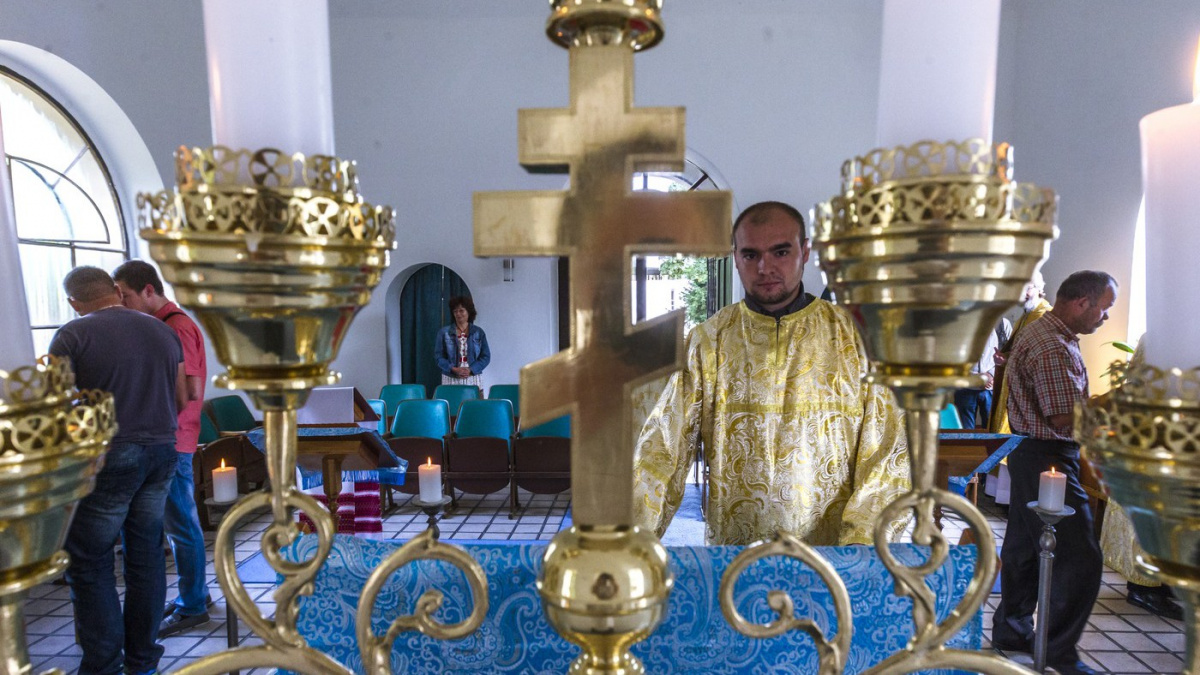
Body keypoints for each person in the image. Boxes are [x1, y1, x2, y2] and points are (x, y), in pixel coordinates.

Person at [633, 201, 910, 546]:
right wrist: (630, 544)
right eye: (751, 255)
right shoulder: (708, 342)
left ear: (806, 252)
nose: (765, 267)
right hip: (735, 557)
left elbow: (887, 457)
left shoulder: (856, 339)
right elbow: (661, 452)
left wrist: (859, 553)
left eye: (780, 252)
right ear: (735, 258)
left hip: (831, 562)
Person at [50, 266, 186, 675]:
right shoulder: (163, 330)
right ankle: (143, 661)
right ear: (114, 290)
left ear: (74, 302)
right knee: (145, 557)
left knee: (90, 560)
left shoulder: (72, 334)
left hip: (109, 455)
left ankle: (104, 666)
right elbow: (181, 398)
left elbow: (55, 409)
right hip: (162, 448)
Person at [992, 270, 1117, 675]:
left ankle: (1012, 633)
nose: (1105, 318)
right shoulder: (1052, 346)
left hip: (1032, 452)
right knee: (1081, 558)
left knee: (1026, 550)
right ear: (1082, 302)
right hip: (1049, 455)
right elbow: (1062, 417)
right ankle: (1059, 652)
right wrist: (1114, 408)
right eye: (1104, 308)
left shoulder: (1046, 332)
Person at [113, 260, 213, 637]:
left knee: (181, 524)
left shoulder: (176, 327)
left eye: (124, 295)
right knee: (179, 523)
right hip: (169, 435)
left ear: (149, 291)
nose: (121, 304)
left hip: (172, 436)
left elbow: (189, 390)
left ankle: (192, 605)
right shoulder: (166, 326)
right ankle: (195, 594)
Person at [990, 270, 1051, 434]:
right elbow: (1018, 352)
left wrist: (1008, 360)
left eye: (1027, 289)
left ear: (1039, 289)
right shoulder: (1024, 317)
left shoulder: (1046, 316)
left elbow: (1040, 359)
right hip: (1014, 385)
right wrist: (1003, 359)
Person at [953, 318, 1011, 428]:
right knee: (965, 432)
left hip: (992, 388)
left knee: (992, 430)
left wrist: (991, 375)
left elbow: (1010, 352)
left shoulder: (1003, 324)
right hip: (965, 387)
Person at [434, 295, 491, 388]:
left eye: (461, 310)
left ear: (469, 312)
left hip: (474, 377)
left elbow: (486, 356)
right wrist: (453, 369)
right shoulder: (444, 332)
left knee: (474, 402)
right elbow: (438, 357)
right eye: (455, 311)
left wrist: (471, 369)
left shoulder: (478, 332)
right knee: (452, 401)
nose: (458, 314)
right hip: (450, 376)